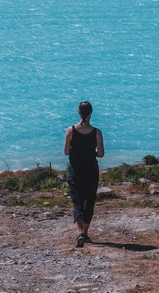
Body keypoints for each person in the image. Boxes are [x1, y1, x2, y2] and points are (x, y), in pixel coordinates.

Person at [64, 100, 105, 247]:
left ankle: (79, 232)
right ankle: (85, 233)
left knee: (77, 202)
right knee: (89, 201)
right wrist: (91, 152)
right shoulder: (97, 132)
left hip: (75, 170)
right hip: (91, 170)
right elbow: (101, 154)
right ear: (91, 113)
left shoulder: (70, 130)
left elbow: (66, 151)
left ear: (78, 113)